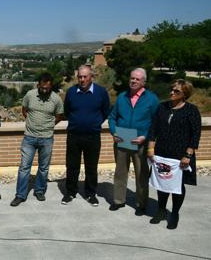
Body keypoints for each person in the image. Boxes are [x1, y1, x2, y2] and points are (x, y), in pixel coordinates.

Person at [147, 79, 201, 229]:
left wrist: (188, 155)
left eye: (176, 91)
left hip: (180, 155)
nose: (172, 92)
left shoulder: (191, 110)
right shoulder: (162, 107)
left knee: (177, 186)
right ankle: (161, 210)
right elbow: (153, 129)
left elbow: (195, 135)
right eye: (172, 89)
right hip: (162, 153)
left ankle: (175, 213)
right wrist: (151, 149)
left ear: (185, 94)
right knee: (162, 182)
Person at [108, 68, 159, 214]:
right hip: (122, 140)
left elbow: (157, 122)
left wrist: (145, 136)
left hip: (141, 143)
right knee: (120, 173)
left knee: (141, 175)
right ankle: (119, 201)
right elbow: (112, 117)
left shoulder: (151, 99)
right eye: (132, 78)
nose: (133, 81)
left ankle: (141, 204)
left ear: (144, 81)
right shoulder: (122, 97)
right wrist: (114, 131)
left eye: (137, 79)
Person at [11, 73, 63, 206]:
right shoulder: (30, 95)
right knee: (24, 167)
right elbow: (24, 109)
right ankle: (20, 195)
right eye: (43, 87)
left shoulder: (56, 99)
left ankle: (39, 191)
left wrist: (49, 125)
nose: (45, 90)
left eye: (48, 88)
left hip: (47, 138)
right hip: (29, 137)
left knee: (44, 168)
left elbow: (59, 115)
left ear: (51, 86)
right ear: (38, 85)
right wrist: (30, 122)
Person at [62, 65, 110, 207]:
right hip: (74, 135)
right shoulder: (71, 92)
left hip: (93, 136)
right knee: (72, 166)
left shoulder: (101, 92)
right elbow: (67, 111)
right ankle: (70, 192)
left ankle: (91, 194)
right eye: (80, 77)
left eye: (85, 77)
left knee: (91, 166)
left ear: (91, 77)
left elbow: (105, 111)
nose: (82, 80)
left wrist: (94, 123)